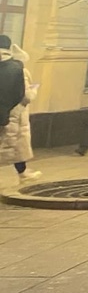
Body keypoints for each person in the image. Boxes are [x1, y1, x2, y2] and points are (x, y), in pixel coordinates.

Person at [0, 36, 39, 184]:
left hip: (4, 112)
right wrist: (34, 89)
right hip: (15, 114)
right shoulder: (19, 70)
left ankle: (23, 173)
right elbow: (26, 95)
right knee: (14, 146)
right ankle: (23, 174)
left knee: (15, 148)